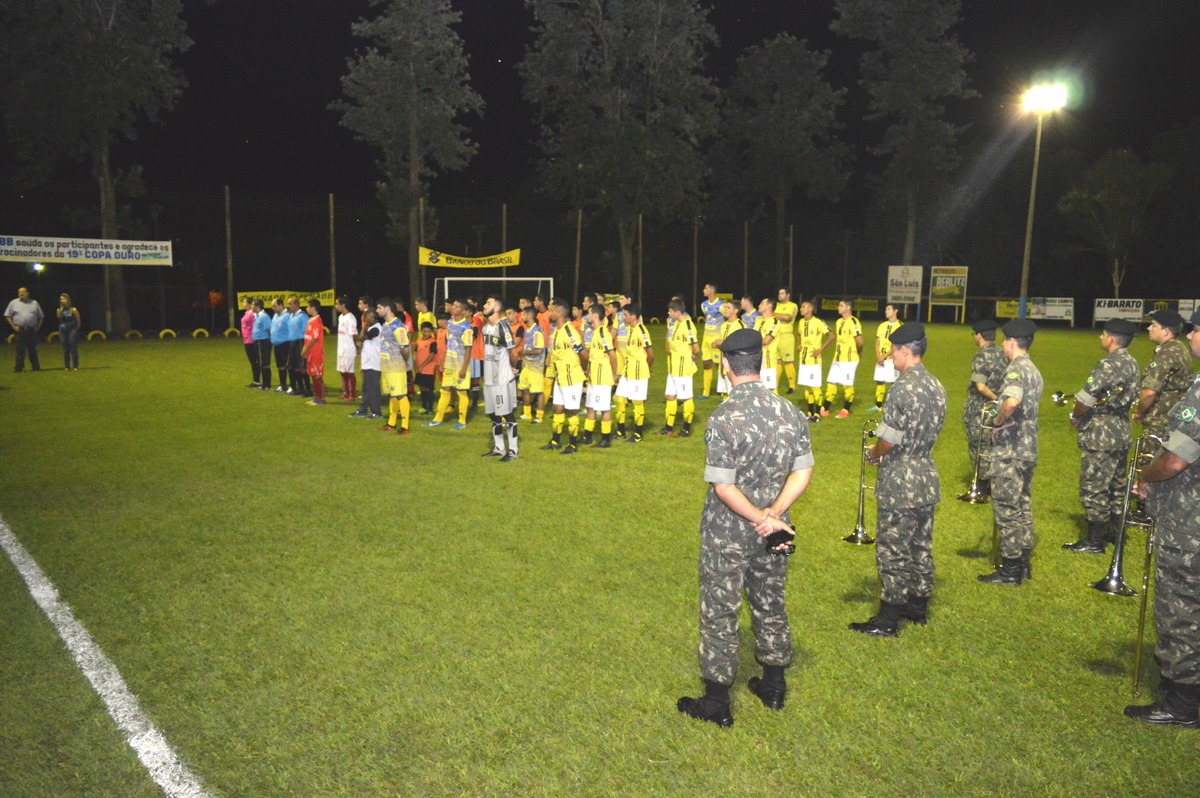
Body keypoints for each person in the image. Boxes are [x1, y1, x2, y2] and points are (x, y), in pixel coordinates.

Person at [676, 328, 814, 728]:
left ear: (726, 366)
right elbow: (803, 470)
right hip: (774, 529)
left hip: (730, 532)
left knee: (721, 609)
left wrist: (757, 516)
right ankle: (773, 686)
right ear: (761, 362)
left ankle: (717, 702)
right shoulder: (789, 411)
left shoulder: (724, 417)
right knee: (770, 600)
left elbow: (723, 486)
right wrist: (774, 514)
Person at [1124, 308, 1200, 728]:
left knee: (1182, 609)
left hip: (1190, 524)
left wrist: (1144, 475)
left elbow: (1174, 463)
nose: (1191, 338)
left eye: (1196, 331)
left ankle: (1182, 702)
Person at [851, 322, 947, 636]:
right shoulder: (936, 385)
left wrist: (876, 452)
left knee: (893, 548)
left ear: (906, 351)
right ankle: (918, 607)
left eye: (893, 351)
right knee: (921, 545)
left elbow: (890, 438)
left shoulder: (902, 387)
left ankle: (888, 618)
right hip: (926, 474)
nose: (891, 356)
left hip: (900, 478)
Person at [1062, 319, 1140, 554]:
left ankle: (1094, 541)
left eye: (1103, 334)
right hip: (1121, 429)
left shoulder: (1108, 364)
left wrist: (1075, 416)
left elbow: (1086, 398)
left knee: (1094, 486)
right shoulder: (1132, 363)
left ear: (1112, 338)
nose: (1100, 338)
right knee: (1117, 485)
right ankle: (1116, 534)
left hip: (1101, 433)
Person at [979, 318, 1043, 586]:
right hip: (1028, 447)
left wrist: (998, 420)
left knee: (1006, 507)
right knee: (1022, 504)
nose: (1003, 344)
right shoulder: (1034, 370)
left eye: (1006, 340)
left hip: (1011, 449)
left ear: (1013, 342)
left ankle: (1010, 569)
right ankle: (1024, 563)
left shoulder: (1015, 370)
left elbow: (1012, 401)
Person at [1132, 309, 1192, 441]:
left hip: (1160, 420)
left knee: (1150, 459)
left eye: (1154, 325)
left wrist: (1140, 412)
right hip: (1173, 416)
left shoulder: (1166, 354)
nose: (1149, 328)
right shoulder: (1179, 348)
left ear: (1165, 331)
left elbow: (1149, 393)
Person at [963, 320, 1006, 497]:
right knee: (993, 444)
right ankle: (994, 481)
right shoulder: (1003, 353)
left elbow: (980, 386)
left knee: (978, 445)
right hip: (997, 409)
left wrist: (995, 399)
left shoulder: (981, 356)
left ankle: (981, 485)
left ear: (978, 335)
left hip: (980, 407)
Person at [542, 297, 587, 454]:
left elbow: (583, 353)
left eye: (552, 310)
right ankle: (555, 441)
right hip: (560, 378)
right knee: (557, 408)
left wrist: (585, 370)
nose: (550, 313)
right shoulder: (557, 332)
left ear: (559, 312)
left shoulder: (569, 331)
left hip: (571, 378)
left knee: (571, 411)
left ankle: (573, 445)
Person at [480, 297, 520, 461]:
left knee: (507, 414)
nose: (484, 305)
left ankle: (513, 451)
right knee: (492, 414)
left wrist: (513, 368)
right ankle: (499, 447)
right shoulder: (485, 328)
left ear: (496, 308)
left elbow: (513, 353)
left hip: (502, 379)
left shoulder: (503, 327)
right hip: (489, 378)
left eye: (488, 303)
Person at [427, 300, 474, 430]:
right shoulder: (451, 323)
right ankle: (438, 419)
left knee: (461, 392)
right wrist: (443, 361)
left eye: (457, 306)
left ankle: (462, 421)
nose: (453, 308)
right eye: (453, 305)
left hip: (460, 365)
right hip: (449, 363)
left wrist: (464, 368)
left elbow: (469, 349)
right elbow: (450, 344)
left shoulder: (467, 328)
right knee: (445, 389)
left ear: (463, 311)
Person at [660, 299, 699, 437]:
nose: (668, 313)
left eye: (670, 311)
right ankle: (668, 428)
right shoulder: (675, 323)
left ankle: (686, 429)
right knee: (670, 396)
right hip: (673, 367)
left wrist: (690, 360)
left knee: (686, 397)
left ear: (677, 312)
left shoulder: (688, 326)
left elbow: (696, 349)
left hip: (683, 369)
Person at [615, 302, 653, 442]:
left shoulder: (641, 330)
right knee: (619, 399)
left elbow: (650, 353)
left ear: (633, 316)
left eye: (625, 315)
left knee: (637, 403)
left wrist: (646, 367)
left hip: (638, 373)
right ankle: (620, 432)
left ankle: (638, 434)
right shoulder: (629, 329)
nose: (623, 317)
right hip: (627, 370)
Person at [582, 304, 619, 447]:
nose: (588, 316)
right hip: (594, 377)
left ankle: (605, 439)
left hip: (602, 378)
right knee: (591, 407)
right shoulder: (595, 332)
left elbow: (612, 355)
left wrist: (614, 374)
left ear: (595, 316)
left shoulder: (603, 333)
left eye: (589, 313)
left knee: (604, 408)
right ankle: (587, 436)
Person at [376, 297, 412, 433]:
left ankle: (405, 426)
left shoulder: (398, 327)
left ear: (387, 309)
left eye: (379, 308)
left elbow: (405, 348)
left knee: (401, 395)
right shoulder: (386, 325)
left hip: (396, 366)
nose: (378, 310)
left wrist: (404, 362)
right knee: (393, 395)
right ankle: (391, 423)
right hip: (387, 367)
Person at [823, 299, 863, 418]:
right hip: (837, 358)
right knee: (831, 382)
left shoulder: (854, 322)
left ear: (848, 308)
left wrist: (859, 354)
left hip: (849, 359)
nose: (838, 308)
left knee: (847, 384)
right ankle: (825, 408)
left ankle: (846, 410)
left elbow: (860, 342)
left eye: (841, 306)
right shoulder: (839, 321)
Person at [796, 301, 832, 422]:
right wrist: (798, 344)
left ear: (810, 309)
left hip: (814, 360)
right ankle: (810, 412)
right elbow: (799, 334)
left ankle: (817, 414)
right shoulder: (801, 322)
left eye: (803, 307)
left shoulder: (818, 322)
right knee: (807, 388)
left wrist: (820, 349)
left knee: (815, 387)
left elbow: (831, 336)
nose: (801, 309)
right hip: (803, 359)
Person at [870, 303, 903, 413]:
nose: (886, 311)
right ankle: (878, 405)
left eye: (888, 309)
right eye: (886, 309)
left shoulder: (900, 326)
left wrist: (883, 356)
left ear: (895, 311)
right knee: (880, 381)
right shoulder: (882, 325)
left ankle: (893, 406)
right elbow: (877, 341)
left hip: (892, 360)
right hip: (880, 359)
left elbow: (897, 345)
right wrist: (878, 355)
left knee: (893, 383)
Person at [349, 310, 383, 419]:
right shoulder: (371, 328)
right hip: (368, 364)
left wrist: (365, 325)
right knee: (365, 389)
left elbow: (361, 338)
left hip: (374, 364)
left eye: (369, 317)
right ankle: (363, 410)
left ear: (374, 318)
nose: (366, 319)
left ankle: (376, 412)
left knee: (373, 389)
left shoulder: (376, 329)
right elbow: (360, 342)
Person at [710, 300, 745, 400]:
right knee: (725, 392)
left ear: (736, 310)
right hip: (724, 363)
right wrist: (716, 344)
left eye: (728, 308)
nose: (725, 309)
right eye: (725, 307)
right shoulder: (724, 325)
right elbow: (723, 343)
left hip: (734, 365)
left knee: (734, 394)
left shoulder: (740, 325)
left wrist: (723, 342)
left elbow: (741, 345)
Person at [517, 307, 547, 423]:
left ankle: (539, 416)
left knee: (539, 391)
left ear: (529, 316)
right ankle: (527, 413)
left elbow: (539, 350)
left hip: (536, 366)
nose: (521, 317)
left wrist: (525, 352)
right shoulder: (528, 330)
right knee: (524, 388)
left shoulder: (537, 331)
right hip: (527, 364)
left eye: (523, 314)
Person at [7, 286, 44, 372]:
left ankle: (36, 367)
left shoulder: (34, 303)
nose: (21, 293)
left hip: (31, 330)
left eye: (23, 292)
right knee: (20, 349)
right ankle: (19, 367)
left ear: (28, 293)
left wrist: (38, 327)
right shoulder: (13, 303)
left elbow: (41, 316)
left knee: (32, 349)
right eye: (19, 292)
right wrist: (13, 326)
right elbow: (7, 315)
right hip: (20, 329)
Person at [699, 283, 724, 400]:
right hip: (706, 338)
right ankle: (706, 393)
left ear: (712, 291)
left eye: (706, 288)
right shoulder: (703, 305)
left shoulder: (721, 305)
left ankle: (722, 391)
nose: (704, 290)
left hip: (716, 338)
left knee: (719, 364)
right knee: (706, 363)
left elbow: (727, 318)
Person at [301, 299, 327, 405]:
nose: (307, 308)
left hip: (315, 352)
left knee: (317, 375)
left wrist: (304, 350)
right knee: (313, 374)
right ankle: (317, 397)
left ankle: (321, 399)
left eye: (308, 306)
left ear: (313, 308)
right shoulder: (311, 320)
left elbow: (314, 338)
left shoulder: (316, 320)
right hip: (311, 353)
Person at [775, 287, 799, 395]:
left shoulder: (793, 305)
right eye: (779, 293)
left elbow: (787, 317)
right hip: (776, 336)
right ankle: (774, 385)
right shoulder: (777, 305)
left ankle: (792, 386)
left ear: (788, 295)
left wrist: (773, 314)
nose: (779, 295)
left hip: (786, 336)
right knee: (777, 361)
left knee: (788, 361)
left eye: (782, 293)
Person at [753, 298, 780, 394]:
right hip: (756, 360)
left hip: (767, 361)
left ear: (769, 305)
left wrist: (750, 342)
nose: (759, 305)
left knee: (770, 391)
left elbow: (766, 341)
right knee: (758, 390)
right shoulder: (758, 320)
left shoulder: (774, 322)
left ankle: (778, 408)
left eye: (762, 303)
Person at [335, 296, 358, 401]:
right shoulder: (340, 317)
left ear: (343, 305)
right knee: (342, 372)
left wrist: (356, 347)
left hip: (348, 349)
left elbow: (354, 334)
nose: (335, 306)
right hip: (341, 349)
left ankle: (352, 394)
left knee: (349, 372)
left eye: (337, 304)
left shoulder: (350, 318)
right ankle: (345, 392)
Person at [413, 322, 439, 414]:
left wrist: (422, 366)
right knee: (422, 388)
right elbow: (415, 353)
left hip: (428, 369)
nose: (427, 333)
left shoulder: (433, 342)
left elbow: (431, 355)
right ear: (421, 331)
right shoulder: (419, 340)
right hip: (419, 369)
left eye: (428, 331)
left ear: (431, 331)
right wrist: (416, 366)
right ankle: (424, 407)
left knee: (428, 388)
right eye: (425, 331)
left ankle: (430, 408)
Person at [287, 296, 311, 397]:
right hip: (292, 343)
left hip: (300, 342)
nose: (288, 306)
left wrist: (305, 347)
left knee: (302, 366)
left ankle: (308, 390)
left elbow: (307, 331)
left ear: (296, 304)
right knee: (294, 366)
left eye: (290, 304)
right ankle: (300, 388)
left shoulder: (303, 316)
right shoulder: (291, 316)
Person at [270, 298, 292, 393]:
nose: (273, 308)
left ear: (281, 305)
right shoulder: (275, 315)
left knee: (288, 365)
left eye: (274, 306)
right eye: (272, 306)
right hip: (277, 345)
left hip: (285, 344)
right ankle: (283, 385)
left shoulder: (287, 316)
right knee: (280, 366)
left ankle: (292, 385)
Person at [57, 293, 81, 371]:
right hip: (63, 329)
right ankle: (67, 366)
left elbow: (78, 321)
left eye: (64, 299)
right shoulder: (59, 310)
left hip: (72, 329)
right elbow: (59, 320)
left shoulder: (73, 310)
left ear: (68, 300)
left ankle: (75, 365)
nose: (62, 301)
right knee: (65, 347)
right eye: (61, 299)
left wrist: (76, 328)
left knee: (72, 346)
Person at [240, 297, 261, 387]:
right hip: (247, 340)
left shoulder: (252, 314)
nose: (243, 303)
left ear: (249, 304)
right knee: (252, 361)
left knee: (255, 361)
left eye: (245, 302)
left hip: (251, 340)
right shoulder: (247, 313)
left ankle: (256, 381)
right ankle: (255, 380)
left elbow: (256, 325)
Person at [251, 299, 272, 390]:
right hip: (258, 341)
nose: (251, 306)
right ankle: (265, 384)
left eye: (252, 304)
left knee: (264, 363)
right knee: (261, 363)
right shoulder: (256, 316)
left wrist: (271, 340)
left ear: (257, 306)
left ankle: (266, 384)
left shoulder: (264, 316)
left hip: (263, 342)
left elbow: (269, 329)